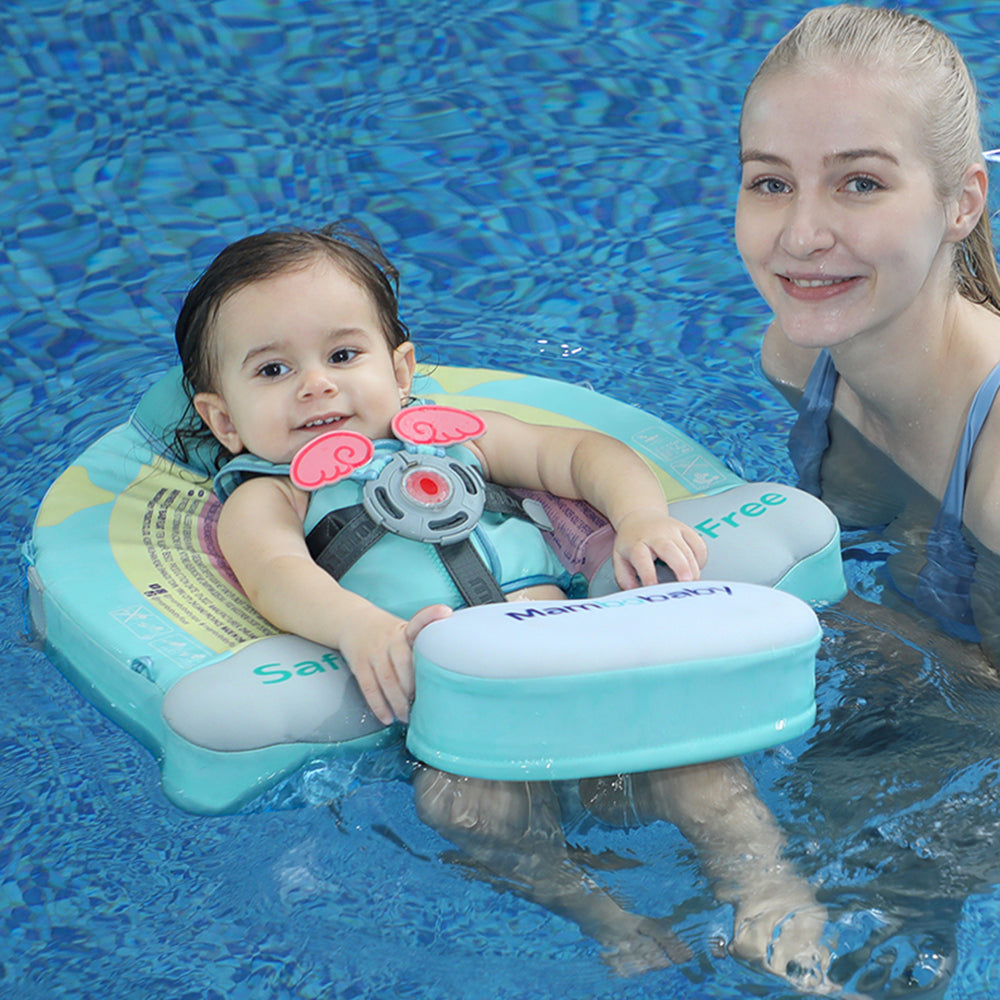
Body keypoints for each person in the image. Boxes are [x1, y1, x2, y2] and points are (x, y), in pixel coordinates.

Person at [173, 222, 834, 989]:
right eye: (274, 368)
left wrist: (642, 516)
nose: (316, 383)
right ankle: (606, 915)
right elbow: (275, 574)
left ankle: (766, 889)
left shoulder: (462, 443)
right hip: (465, 717)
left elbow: (584, 455)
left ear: (402, 368)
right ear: (224, 421)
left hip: (585, 664)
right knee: (465, 814)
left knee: (702, 770)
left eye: (343, 355)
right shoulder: (268, 494)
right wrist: (357, 624)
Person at [736, 4, 1000, 669]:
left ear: (962, 204)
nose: (801, 236)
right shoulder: (795, 358)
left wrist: (818, 610)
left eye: (861, 183)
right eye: (772, 182)